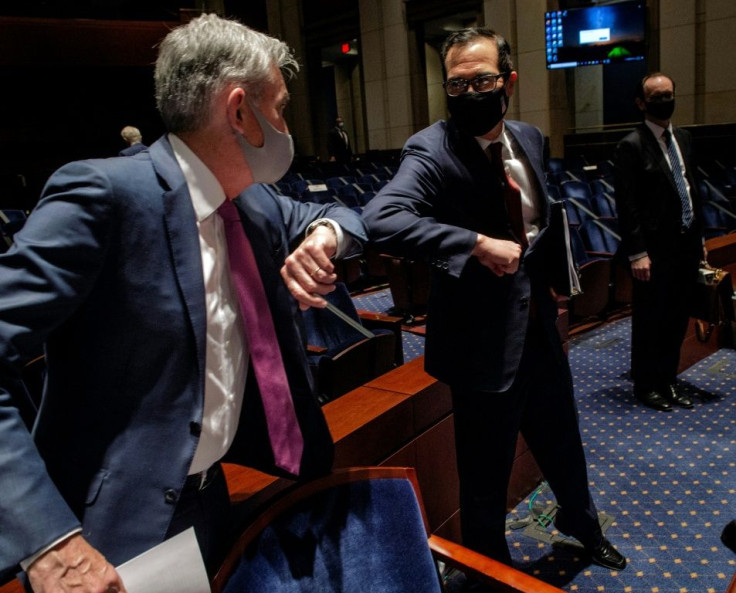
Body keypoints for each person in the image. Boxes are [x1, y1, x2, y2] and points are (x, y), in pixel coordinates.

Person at [0, 13, 368, 593]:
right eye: (280, 108)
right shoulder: (105, 196)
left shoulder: (254, 205)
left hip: (210, 498)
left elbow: (346, 216)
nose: (285, 125)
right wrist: (48, 543)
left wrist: (324, 237)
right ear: (240, 111)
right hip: (105, 531)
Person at [363, 27, 626, 573]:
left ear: (507, 81)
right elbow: (381, 219)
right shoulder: (429, 148)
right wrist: (475, 245)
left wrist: (562, 293)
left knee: (562, 443)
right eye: (456, 85)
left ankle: (582, 524)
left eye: (481, 80)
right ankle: (488, 569)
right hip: (479, 344)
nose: (468, 94)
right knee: (485, 473)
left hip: (538, 326)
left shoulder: (529, 137)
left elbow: (539, 218)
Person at [613, 72, 705, 412]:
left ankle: (668, 380)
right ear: (641, 103)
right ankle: (646, 385)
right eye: (657, 96)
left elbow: (691, 189)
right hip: (651, 253)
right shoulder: (631, 145)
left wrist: (701, 239)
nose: (665, 101)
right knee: (651, 320)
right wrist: (637, 252)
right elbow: (627, 205)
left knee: (676, 320)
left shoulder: (683, 137)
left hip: (685, 246)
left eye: (669, 94)